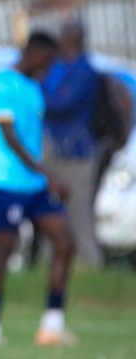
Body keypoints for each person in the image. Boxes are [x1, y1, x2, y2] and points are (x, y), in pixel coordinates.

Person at [0, 31, 76, 347]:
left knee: (64, 242)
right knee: (1, 254)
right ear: (33, 54)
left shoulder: (35, 87)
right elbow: (10, 137)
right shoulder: (2, 83)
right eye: (46, 61)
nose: (48, 68)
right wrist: (48, 173)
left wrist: (43, 174)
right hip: (7, 184)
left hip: (34, 185)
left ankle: (52, 325)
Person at [41, 18, 101, 266]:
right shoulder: (57, 65)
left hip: (76, 151)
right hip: (53, 147)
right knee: (51, 211)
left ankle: (90, 264)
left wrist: (38, 92)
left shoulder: (85, 71)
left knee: (79, 211)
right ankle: (48, 264)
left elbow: (61, 104)